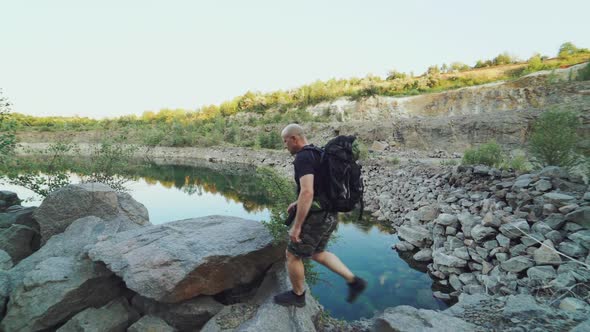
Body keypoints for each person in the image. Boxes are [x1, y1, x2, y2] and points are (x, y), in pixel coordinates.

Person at [273, 123, 367, 308]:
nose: (285, 146)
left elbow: (307, 192)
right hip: (330, 213)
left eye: (285, 141)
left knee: (292, 255)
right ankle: (354, 281)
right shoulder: (318, 152)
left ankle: (298, 295)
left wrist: (297, 226)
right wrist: (297, 202)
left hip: (316, 217)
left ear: (294, 138)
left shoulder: (303, 158)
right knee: (317, 252)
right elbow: (319, 188)